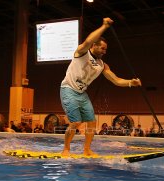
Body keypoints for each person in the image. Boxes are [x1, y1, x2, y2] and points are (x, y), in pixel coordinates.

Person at [60, 17, 142, 156]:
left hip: (82, 93)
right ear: (94, 46)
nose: (105, 51)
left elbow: (116, 80)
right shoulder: (81, 52)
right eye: (102, 48)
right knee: (76, 122)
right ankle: (66, 149)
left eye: (106, 49)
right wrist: (104, 26)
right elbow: (88, 41)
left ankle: (86, 150)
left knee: (92, 122)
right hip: (68, 89)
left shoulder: (102, 65)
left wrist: (130, 83)